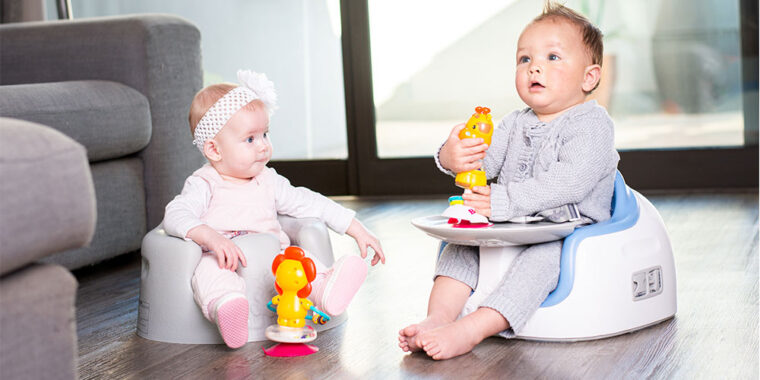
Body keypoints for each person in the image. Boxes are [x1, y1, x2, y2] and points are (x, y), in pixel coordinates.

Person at [399, 1, 620, 360]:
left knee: (542, 262)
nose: (535, 67)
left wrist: (502, 201)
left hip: (566, 231)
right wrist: (453, 157)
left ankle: (474, 328)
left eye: (552, 57)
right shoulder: (514, 123)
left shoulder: (592, 125)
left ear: (589, 77)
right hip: (514, 224)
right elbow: (483, 167)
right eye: (524, 59)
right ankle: (438, 318)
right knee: (461, 246)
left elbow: (569, 182)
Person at [163, 70, 385, 349]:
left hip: (274, 263)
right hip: (224, 259)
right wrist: (210, 237)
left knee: (301, 264)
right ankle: (227, 308)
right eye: (251, 139)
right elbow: (175, 215)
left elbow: (310, 202)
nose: (264, 146)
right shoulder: (204, 183)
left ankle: (327, 290)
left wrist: (355, 228)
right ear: (215, 150)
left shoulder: (269, 180)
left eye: (265, 133)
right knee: (209, 274)